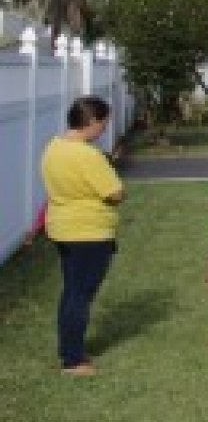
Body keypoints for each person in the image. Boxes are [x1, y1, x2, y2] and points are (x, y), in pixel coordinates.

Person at [40, 95, 125, 376]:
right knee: (80, 295)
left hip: (62, 229)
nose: (103, 129)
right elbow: (115, 193)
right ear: (91, 121)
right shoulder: (88, 155)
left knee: (71, 291)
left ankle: (68, 349)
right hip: (88, 233)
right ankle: (74, 360)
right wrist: (110, 168)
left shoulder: (54, 148)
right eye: (103, 123)